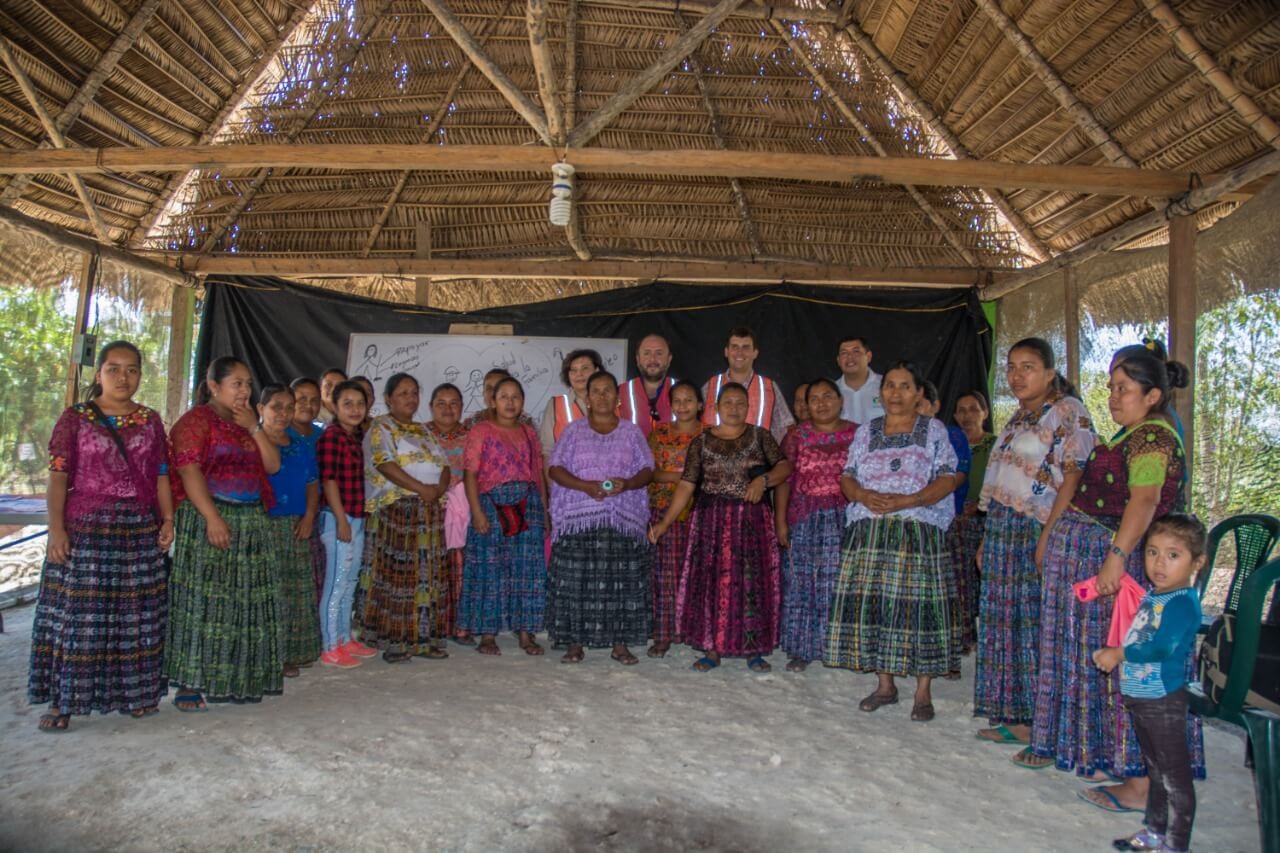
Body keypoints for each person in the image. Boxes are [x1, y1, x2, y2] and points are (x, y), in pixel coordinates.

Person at [1016, 351, 1204, 813]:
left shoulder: (1152, 438)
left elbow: (1144, 500)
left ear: (1153, 395)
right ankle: (1112, 759)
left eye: (1123, 389)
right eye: (1111, 387)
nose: (1113, 397)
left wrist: (1115, 559)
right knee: (1098, 664)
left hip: (1108, 562)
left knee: (1127, 667)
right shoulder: (1132, 434)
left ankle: (1140, 782)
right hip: (1092, 556)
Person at [28, 341, 173, 732]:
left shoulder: (150, 420)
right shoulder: (75, 418)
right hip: (87, 530)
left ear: (140, 374)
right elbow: (58, 477)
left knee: (136, 617)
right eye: (114, 369)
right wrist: (56, 530)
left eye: (131, 369)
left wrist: (168, 519)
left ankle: (136, 696)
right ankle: (64, 701)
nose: (123, 377)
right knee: (79, 618)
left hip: (138, 530)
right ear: (99, 374)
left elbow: (161, 474)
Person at [973, 338, 1095, 745]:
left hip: (1036, 527)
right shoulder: (1019, 416)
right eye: (1011, 367)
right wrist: (987, 539)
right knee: (1006, 624)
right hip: (1003, 530)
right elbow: (1003, 479)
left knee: (1035, 624)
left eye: (1027, 367)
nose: (1016, 375)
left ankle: (1045, 722)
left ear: (1049, 373)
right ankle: (1018, 715)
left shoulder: (1067, 412)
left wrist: (1048, 537)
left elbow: (1074, 477)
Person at [825, 362, 960, 721]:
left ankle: (923, 692)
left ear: (918, 394)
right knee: (877, 607)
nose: (895, 393)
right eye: (889, 386)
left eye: (904, 386)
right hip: (870, 532)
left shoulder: (933, 430)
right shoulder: (866, 431)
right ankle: (885, 685)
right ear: (880, 392)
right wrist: (863, 496)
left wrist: (909, 501)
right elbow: (848, 477)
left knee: (920, 611)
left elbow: (948, 477)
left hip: (916, 530)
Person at [165, 356, 283, 709]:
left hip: (249, 521)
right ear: (214, 386)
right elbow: (188, 471)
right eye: (237, 384)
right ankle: (190, 685)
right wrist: (213, 518)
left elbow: (272, 465)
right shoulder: (196, 422)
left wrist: (255, 428)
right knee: (205, 603)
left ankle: (236, 679)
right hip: (208, 518)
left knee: (243, 603)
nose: (245, 390)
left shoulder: (246, 422)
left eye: (248, 384)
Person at [650, 382, 792, 673]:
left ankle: (754, 649)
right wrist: (664, 523)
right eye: (728, 403)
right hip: (711, 522)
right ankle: (712, 649)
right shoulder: (701, 442)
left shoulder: (760, 436)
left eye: (740, 403)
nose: (734, 408)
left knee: (752, 584)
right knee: (712, 585)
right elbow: (687, 485)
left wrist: (763, 481)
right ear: (716, 407)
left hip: (752, 523)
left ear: (748, 407)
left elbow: (785, 468)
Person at [1093, 513, 1206, 853]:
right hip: (1143, 697)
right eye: (1153, 552)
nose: (1159, 563)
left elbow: (1161, 647)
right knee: (1156, 770)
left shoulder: (1182, 601)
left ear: (1197, 562)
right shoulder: (1158, 595)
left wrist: (1119, 654)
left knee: (1174, 777)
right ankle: (1155, 832)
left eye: (1173, 555)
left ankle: (1176, 844)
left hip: (1163, 699)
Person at [547, 371, 655, 664]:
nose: (603, 396)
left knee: (621, 582)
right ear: (587, 398)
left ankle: (619, 645)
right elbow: (555, 468)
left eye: (608, 390)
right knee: (575, 583)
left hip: (621, 518)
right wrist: (585, 486)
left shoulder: (631, 432)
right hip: (578, 518)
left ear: (618, 398)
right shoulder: (573, 431)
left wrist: (627, 484)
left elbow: (648, 470)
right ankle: (574, 643)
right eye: (596, 391)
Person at [358, 373, 451, 663]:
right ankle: (395, 642)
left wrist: (438, 489)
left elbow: (444, 465)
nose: (410, 398)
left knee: (427, 577)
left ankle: (424, 640)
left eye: (414, 392)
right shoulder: (381, 427)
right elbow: (384, 463)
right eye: (403, 393)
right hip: (397, 513)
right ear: (388, 398)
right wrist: (421, 488)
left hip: (429, 512)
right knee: (399, 578)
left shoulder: (424, 430)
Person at [461, 376, 549, 656]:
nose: (510, 402)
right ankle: (487, 635)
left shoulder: (529, 433)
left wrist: (544, 511)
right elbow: (470, 474)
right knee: (489, 569)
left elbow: (537, 474)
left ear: (522, 401)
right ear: (493, 401)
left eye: (516, 397)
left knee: (528, 569)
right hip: (490, 503)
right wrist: (476, 512)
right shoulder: (481, 431)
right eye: (504, 397)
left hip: (528, 503)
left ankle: (525, 634)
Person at [775, 378, 856, 673]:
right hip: (803, 518)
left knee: (840, 584)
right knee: (801, 583)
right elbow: (784, 480)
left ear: (840, 400)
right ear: (806, 405)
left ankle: (838, 648)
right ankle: (802, 649)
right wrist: (780, 521)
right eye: (815, 398)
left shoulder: (858, 434)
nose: (822, 403)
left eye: (827, 396)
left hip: (845, 519)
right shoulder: (796, 436)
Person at [259, 383, 322, 679]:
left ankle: (292, 652)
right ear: (261, 409)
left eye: (288, 407)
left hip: (296, 525)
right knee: (268, 592)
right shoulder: (252, 441)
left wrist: (309, 516)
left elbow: (312, 482)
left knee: (294, 592)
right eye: (276, 407)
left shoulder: (299, 443)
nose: (283, 413)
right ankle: (270, 656)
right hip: (262, 525)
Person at [316, 379, 374, 668]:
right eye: (347, 404)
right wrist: (341, 520)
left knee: (350, 581)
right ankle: (329, 646)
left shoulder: (357, 437)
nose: (355, 409)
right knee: (336, 583)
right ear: (334, 406)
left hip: (357, 516)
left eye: (360, 404)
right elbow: (328, 480)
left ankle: (344, 638)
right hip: (338, 518)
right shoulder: (332, 436)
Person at [645, 380, 703, 658]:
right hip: (663, 509)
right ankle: (664, 634)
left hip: (699, 512)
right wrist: (682, 477)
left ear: (700, 404)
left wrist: (690, 482)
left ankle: (696, 632)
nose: (683, 405)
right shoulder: (659, 434)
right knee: (665, 577)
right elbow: (649, 472)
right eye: (677, 401)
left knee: (697, 575)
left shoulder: (709, 434)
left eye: (688, 400)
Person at [948, 390, 996, 655]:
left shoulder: (997, 445)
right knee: (960, 578)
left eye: (973, 409)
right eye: (961, 410)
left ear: (985, 413)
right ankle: (966, 636)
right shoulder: (948, 445)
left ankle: (992, 638)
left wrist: (979, 505)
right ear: (955, 416)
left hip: (990, 520)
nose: (967, 415)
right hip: (956, 520)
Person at [427, 382, 471, 644]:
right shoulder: (420, 435)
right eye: (441, 403)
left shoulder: (472, 436)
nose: (447, 409)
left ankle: (460, 627)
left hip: (464, 511)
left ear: (462, 407)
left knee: (461, 569)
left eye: (454, 403)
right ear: (431, 407)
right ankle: (433, 627)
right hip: (430, 509)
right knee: (432, 569)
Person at [700, 327, 794, 441]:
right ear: (726, 352)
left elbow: (787, 426)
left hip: (758, 452)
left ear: (755, 353)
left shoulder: (769, 388)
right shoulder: (710, 387)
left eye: (746, 347)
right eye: (735, 347)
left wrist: (771, 449)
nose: (740, 352)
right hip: (716, 451)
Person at [289, 377, 327, 602]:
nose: (308, 405)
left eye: (314, 400)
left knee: (312, 577)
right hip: (284, 515)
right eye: (301, 399)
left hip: (315, 514)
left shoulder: (323, 437)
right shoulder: (279, 433)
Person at [538, 349, 603, 457]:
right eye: (573, 370)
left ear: (596, 371)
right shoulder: (555, 405)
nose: (579, 374)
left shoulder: (613, 401)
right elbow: (547, 450)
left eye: (585, 368)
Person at [618, 333, 677, 436]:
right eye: (646, 353)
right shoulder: (619, 393)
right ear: (638, 359)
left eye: (659, 353)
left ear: (669, 359)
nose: (652, 359)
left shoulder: (686, 393)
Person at [462, 368, 534, 428]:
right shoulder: (472, 422)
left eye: (499, 388)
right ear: (483, 394)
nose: (493, 393)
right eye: (489, 388)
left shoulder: (524, 422)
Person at [835, 336, 883, 425]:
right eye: (844, 353)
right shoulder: (832, 392)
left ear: (868, 356)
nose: (850, 357)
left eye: (856, 351)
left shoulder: (886, 386)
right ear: (838, 360)